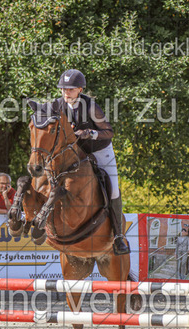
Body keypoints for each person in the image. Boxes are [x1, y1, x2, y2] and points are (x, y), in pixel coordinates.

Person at [56, 69, 130, 255]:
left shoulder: (90, 107)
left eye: (71, 89)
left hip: (100, 150)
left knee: (113, 190)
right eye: (64, 89)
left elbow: (109, 132)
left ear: (80, 90)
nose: (66, 93)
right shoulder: (58, 106)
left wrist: (90, 133)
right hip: (77, 153)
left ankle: (118, 236)